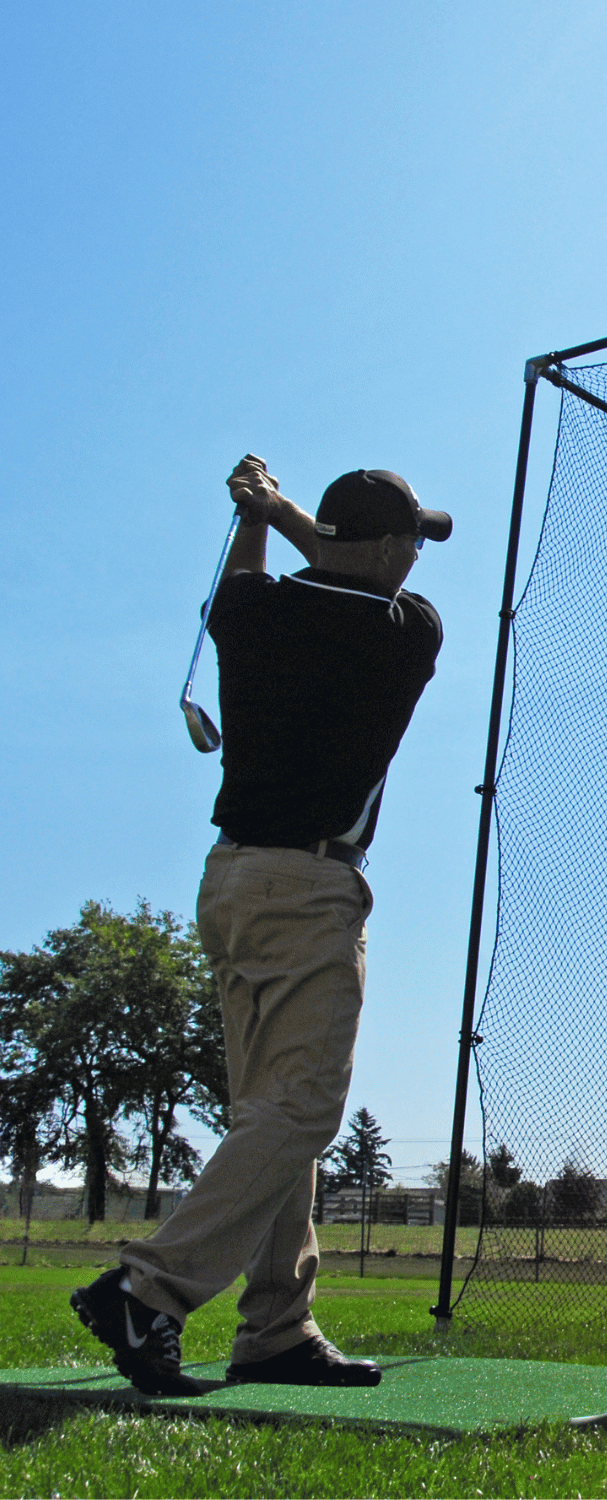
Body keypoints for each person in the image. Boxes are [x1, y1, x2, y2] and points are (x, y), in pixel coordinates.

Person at [71, 456, 451, 1395]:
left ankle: (276, 1326)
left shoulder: (254, 614)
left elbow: (244, 583)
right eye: (409, 540)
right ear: (386, 547)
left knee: (271, 1115)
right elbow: (334, 573)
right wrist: (277, 510)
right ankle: (147, 1290)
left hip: (231, 884)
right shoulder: (406, 631)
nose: (416, 556)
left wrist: (253, 513)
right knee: (305, 1107)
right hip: (310, 886)